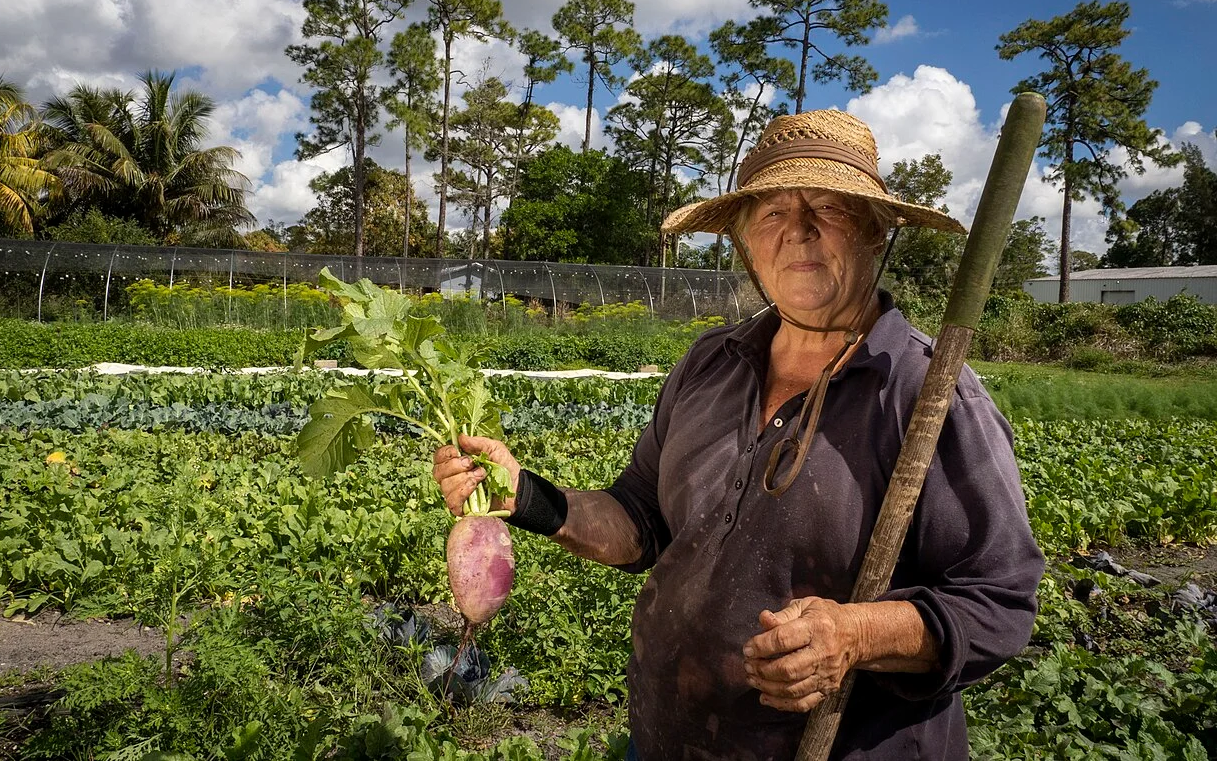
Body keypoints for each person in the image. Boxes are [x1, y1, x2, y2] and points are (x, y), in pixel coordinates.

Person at [432, 110, 1044, 760]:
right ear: (745, 242)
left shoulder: (926, 393)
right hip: (665, 740)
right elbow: (640, 519)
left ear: (874, 231)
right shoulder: (710, 363)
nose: (798, 230)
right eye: (772, 212)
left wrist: (855, 634)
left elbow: (999, 602)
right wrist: (526, 495)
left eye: (828, 208)